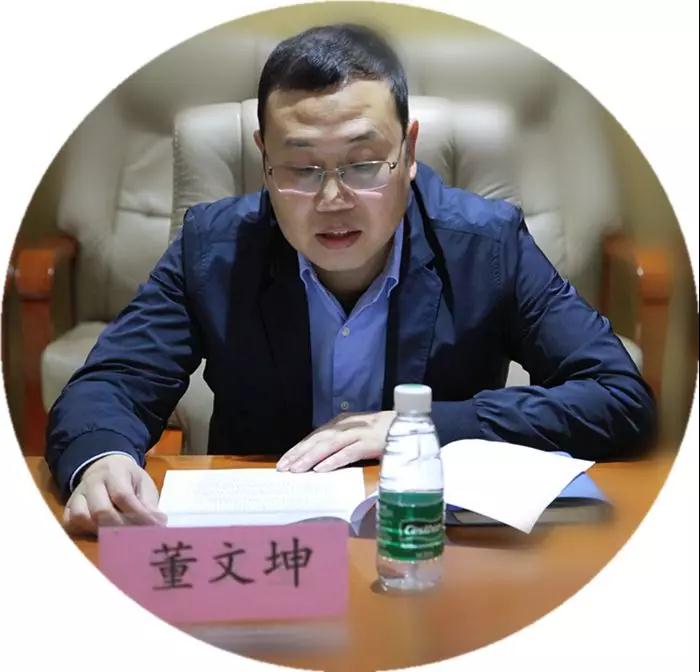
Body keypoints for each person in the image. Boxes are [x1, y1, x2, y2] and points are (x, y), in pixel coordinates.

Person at [46, 24, 655, 534]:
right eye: (301, 168)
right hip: (267, 543)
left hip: (429, 538)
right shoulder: (213, 247)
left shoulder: (486, 244)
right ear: (264, 156)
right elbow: (113, 381)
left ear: (408, 151)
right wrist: (101, 458)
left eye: (364, 164)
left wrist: (420, 426)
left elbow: (617, 396)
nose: (333, 199)